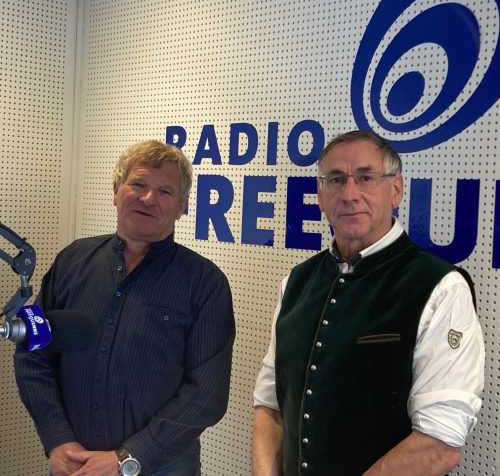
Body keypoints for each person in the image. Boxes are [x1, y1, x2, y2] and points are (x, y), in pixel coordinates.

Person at [252, 130, 484, 476]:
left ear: (396, 189)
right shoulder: (296, 282)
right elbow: (269, 405)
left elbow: (439, 444)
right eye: (336, 179)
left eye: (366, 177)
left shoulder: (441, 288)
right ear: (320, 195)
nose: (349, 194)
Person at [14, 140, 235, 476]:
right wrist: (58, 439)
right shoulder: (72, 261)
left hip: (161, 468)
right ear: (117, 191)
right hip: (73, 463)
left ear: (182, 207)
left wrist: (127, 458)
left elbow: (206, 394)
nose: (148, 198)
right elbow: (33, 351)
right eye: (138, 184)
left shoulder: (205, 283)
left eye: (165, 191)